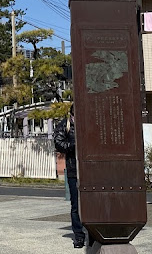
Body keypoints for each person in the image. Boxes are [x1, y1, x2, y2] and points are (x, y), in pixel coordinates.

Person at [54, 104, 85, 249]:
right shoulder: (64, 125)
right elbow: (58, 143)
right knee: (76, 205)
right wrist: (73, 145)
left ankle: (93, 233)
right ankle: (79, 236)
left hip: (89, 169)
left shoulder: (89, 122)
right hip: (73, 168)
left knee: (91, 203)